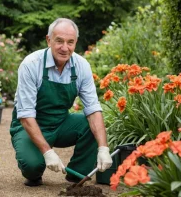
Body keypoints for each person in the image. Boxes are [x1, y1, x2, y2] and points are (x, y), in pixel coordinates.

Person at [9, 18, 112, 187]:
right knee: (32, 167)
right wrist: (48, 152)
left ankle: (77, 174)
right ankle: (35, 170)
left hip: (60, 123)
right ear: (49, 40)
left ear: (75, 42)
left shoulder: (81, 66)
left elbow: (93, 109)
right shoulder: (31, 64)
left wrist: (103, 148)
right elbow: (26, 115)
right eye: (59, 41)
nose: (65, 48)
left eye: (70, 42)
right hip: (28, 126)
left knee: (90, 125)